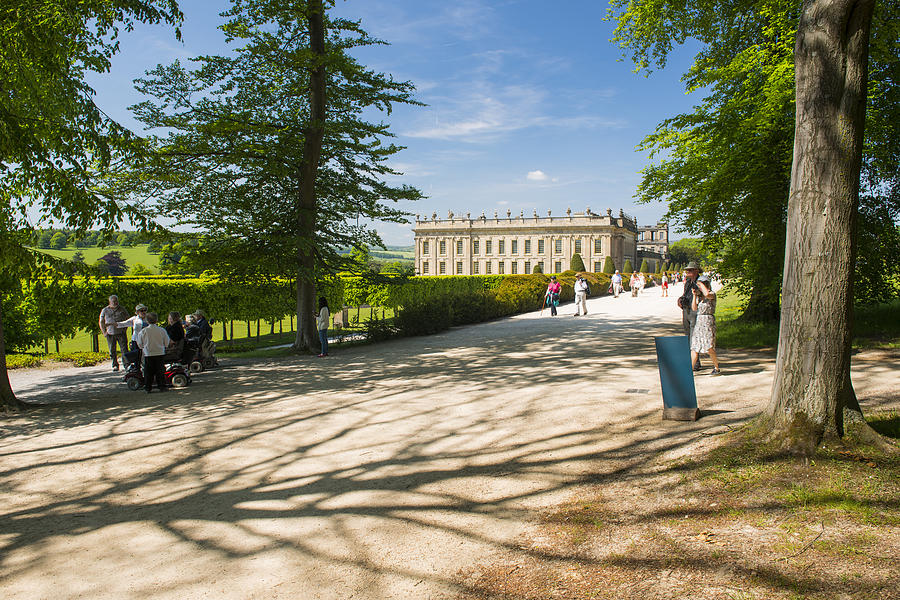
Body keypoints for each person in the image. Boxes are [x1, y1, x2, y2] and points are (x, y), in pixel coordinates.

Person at [133, 312, 170, 393]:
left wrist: (143, 347)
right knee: (160, 370)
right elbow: (167, 342)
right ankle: (161, 386)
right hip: (160, 352)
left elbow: (139, 343)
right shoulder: (161, 330)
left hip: (148, 353)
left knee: (148, 371)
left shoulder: (144, 331)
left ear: (147, 320)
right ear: (156, 320)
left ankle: (148, 387)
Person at [691, 276, 721, 375]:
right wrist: (694, 295)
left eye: (700, 285)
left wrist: (700, 283)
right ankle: (689, 370)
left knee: (709, 347)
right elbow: (694, 309)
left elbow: (707, 293)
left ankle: (716, 368)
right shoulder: (701, 297)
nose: (699, 287)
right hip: (699, 322)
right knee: (695, 347)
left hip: (708, 321)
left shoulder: (711, 294)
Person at [678, 262, 702, 370]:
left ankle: (695, 364)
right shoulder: (688, 282)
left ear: (696, 271)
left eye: (690, 270)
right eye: (687, 270)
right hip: (686, 310)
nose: (688, 272)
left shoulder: (701, 282)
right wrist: (680, 300)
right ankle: (692, 360)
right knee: (688, 336)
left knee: (693, 337)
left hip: (695, 311)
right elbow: (685, 295)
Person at [99, 295, 130, 371]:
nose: (116, 303)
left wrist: (125, 328)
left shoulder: (122, 309)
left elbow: (128, 319)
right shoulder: (105, 310)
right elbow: (101, 321)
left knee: (124, 349)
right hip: (110, 333)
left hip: (121, 332)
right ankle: (115, 365)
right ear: (110, 302)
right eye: (114, 301)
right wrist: (104, 332)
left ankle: (126, 365)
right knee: (112, 350)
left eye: (116, 301)